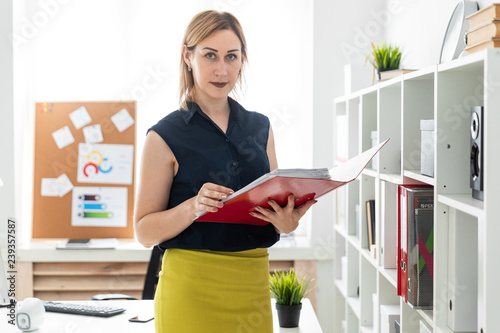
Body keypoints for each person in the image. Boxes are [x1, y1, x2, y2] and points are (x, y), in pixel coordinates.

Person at [133, 10, 316, 333]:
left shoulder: (261, 127)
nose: (222, 69)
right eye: (209, 56)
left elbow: (274, 206)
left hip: (253, 287)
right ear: (188, 57)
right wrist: (193, 206)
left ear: (243, 59)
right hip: (189, 291)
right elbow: (144, 231)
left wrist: (286, 222)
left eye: (231, 56)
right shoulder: (164, 136)